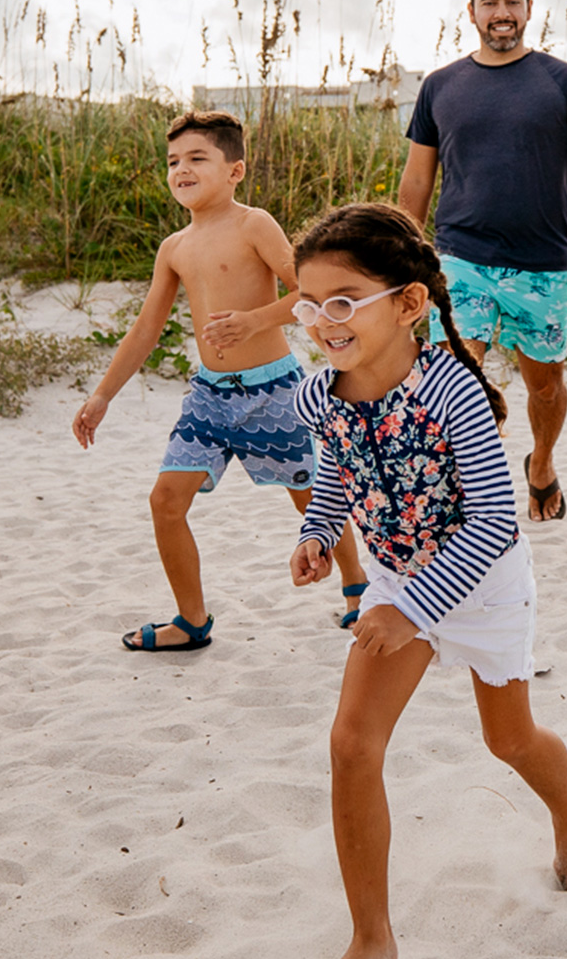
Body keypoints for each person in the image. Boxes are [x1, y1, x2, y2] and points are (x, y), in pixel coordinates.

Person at [284, 203, 567, 959]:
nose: (325, 321)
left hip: (478, 582)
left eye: (345, 300)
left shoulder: (450, 390)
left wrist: (415, 607)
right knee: (352, 743)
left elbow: (496, 519)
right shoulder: (325, 391)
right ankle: (372, 938)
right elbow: (339, 465)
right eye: (310, 303)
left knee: (509, 739)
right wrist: (321, 531)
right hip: (394, 579)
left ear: (410, 303)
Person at [72, 109, 368, 650]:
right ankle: (191, 621)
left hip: (274, 391)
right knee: (165, 500)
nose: (181, 169)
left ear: (235, 170)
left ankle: (356, 587)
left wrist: (254, 320)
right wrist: (102, 395)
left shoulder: (254, 223)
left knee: (311, 496)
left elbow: (309, 292)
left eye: (196, 159)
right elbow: (145, 328)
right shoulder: (175, 248)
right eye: (173, 161)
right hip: (209, 397)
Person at [398, 0, 567, 521]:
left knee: (544, 387)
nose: (501, 14)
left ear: (529, 9)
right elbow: (418, 178)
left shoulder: (565, 82)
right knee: (456, 377)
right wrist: (401, 253)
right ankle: (471, 496)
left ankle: (541, 462)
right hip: (461, 257)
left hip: (544, 263)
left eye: (512, 2)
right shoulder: (440, 86)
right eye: (489, 3)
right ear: (470, 13)